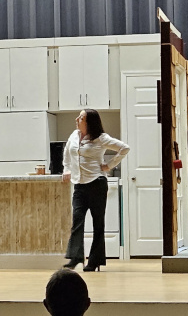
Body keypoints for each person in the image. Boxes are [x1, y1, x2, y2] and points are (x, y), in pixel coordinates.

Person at [61, 109, 129, 272]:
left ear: (89, 121)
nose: (77, 119)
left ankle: (94, 261)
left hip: (96, 184)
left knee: (98, 224)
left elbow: (124, 148)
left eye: (81, 117)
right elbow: (67, 154)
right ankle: (76, 257)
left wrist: (109, 165)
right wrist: (66, 169)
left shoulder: (101, 138)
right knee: (77, 220)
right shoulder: (74, 135)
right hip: (79, 184)